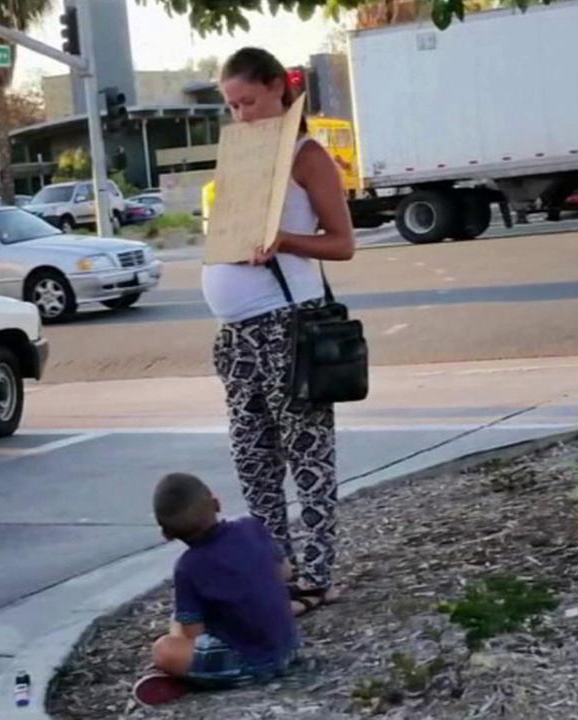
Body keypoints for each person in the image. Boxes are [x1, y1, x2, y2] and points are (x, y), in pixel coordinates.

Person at [203, 47, 356, 616]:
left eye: (248, 101)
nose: (240, 115)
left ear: (277, 89)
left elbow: (343, 244)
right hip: (237, 333)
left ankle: (315, 579)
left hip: (286, 325)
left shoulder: (305, 153)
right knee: (254, 458)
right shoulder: (243, 154)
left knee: (307, 453)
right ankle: (276, 570)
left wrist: (285, 241)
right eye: (231, 106)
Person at [133, 473, 298, 707]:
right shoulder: (251, 526)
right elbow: (285, 573)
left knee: (165, 647)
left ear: (167, 535)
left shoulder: (188, 567)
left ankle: (189, 674)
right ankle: (198, 672)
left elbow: (193, 634)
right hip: (289, 645)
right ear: (216, 504)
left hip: (250, 661)